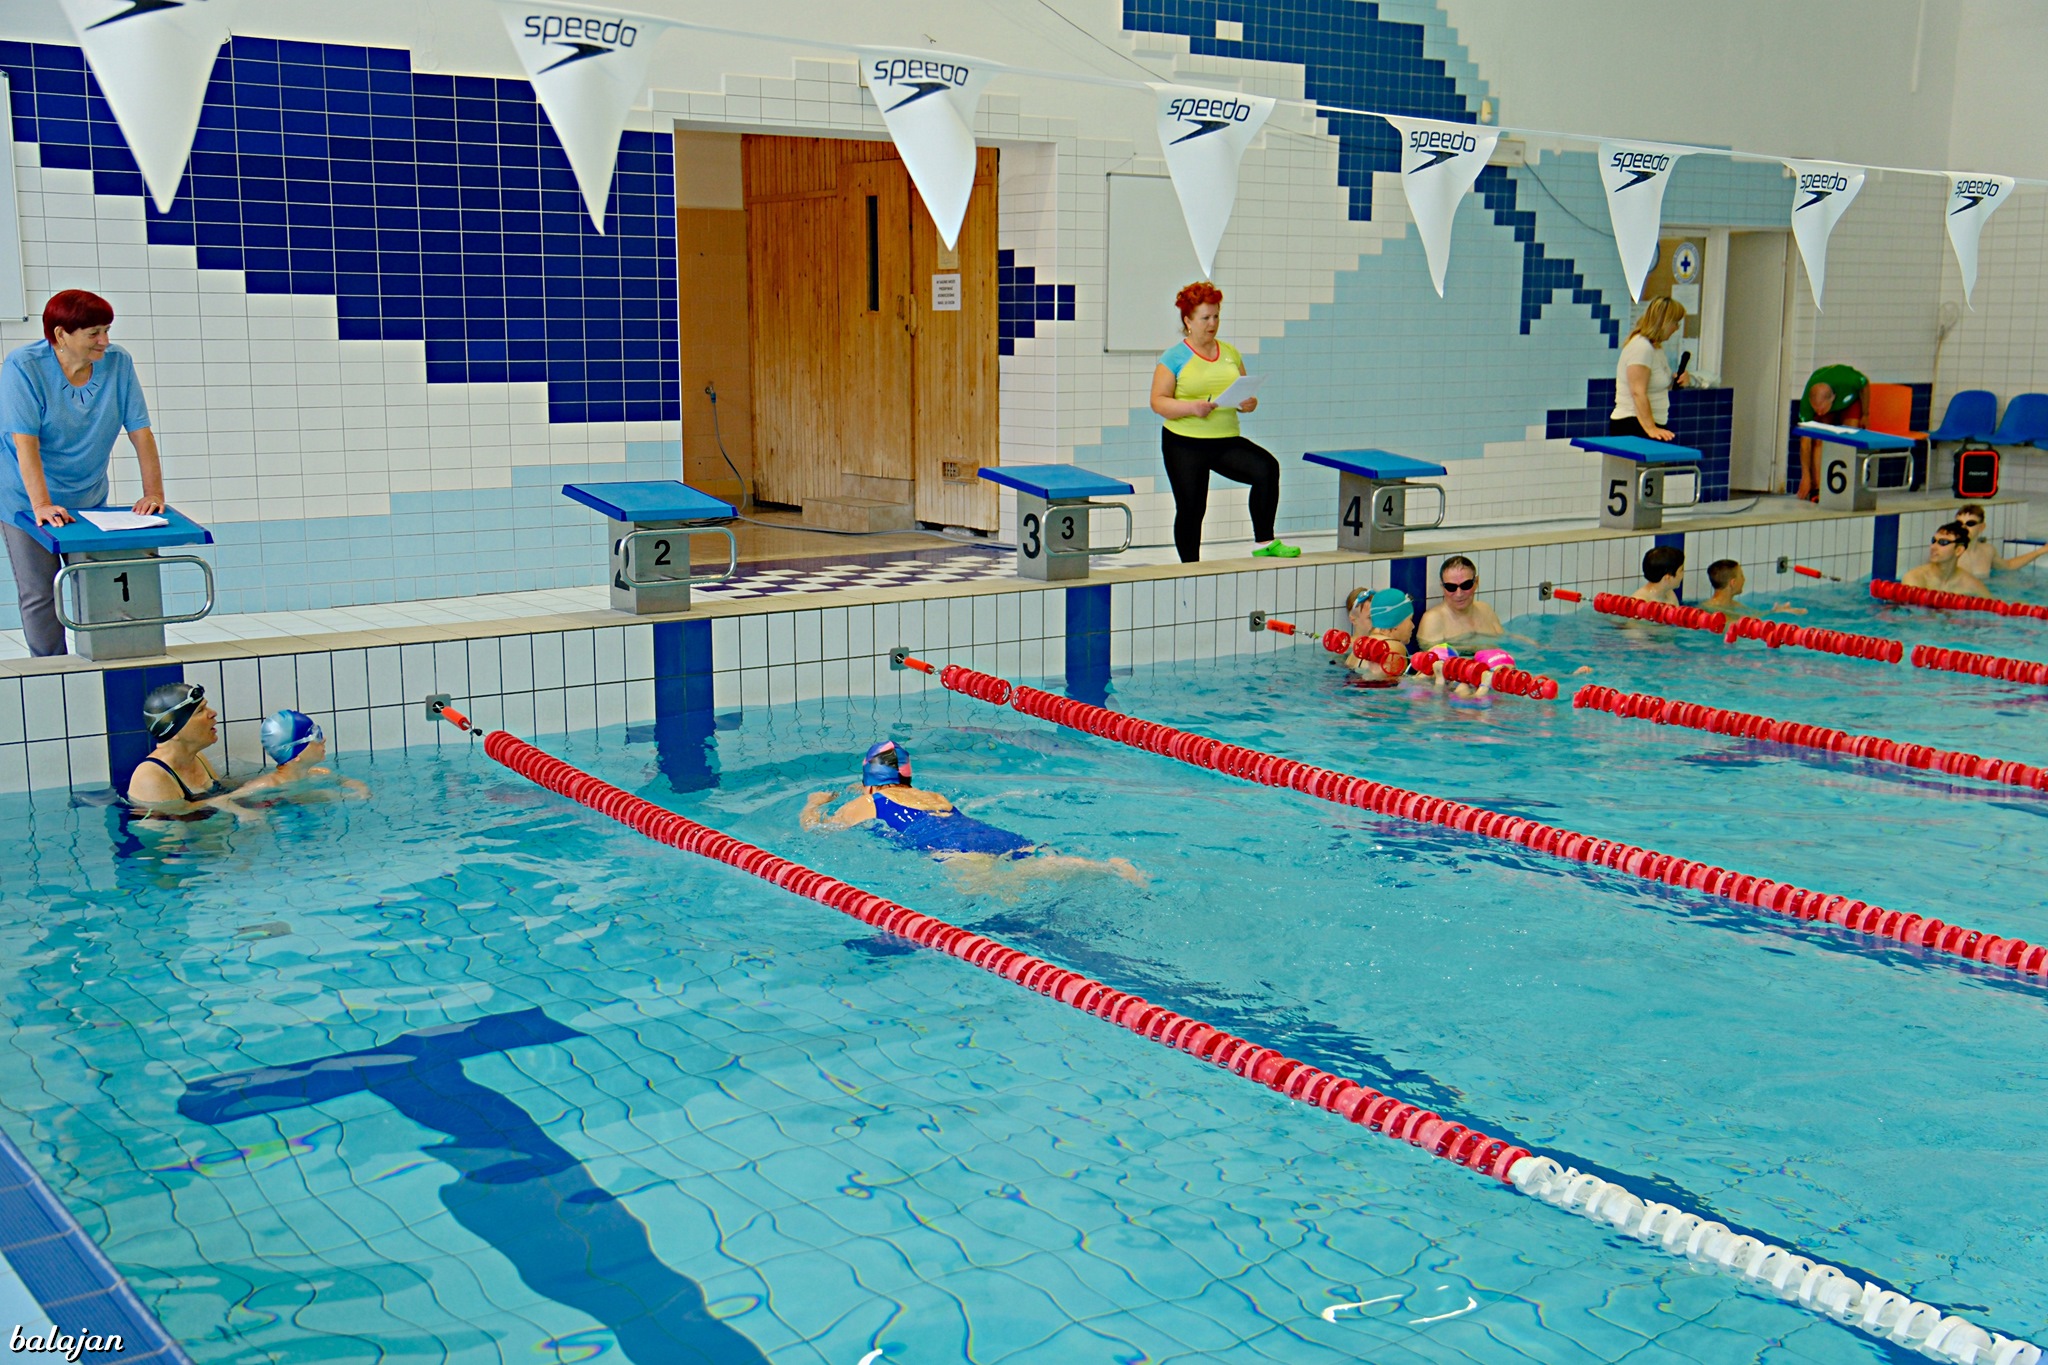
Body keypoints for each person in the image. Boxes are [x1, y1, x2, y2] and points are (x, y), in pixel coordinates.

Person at [2, 290, 164, 657]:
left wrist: (154, 493)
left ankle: (104, 658)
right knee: (40, 592)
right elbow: (24, 443)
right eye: (94, 333)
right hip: (25, 499)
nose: (104, 341)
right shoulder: (24, 367)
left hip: (87, 495)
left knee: (96, 584)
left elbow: (141, 432)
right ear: (61, 335)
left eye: (106, 330)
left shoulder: (117, 363)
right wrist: (41, 505)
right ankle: (53, 671)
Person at [801, 741, 1142, 883]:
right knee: (1039, 863)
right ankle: (1107, 867)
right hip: (995, 835)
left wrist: (813, 804)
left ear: (869, 780)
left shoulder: (869, 803)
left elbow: (816, 831)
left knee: (1001, 890)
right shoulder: (932, 796)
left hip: (954, 849)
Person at [1150, 282, 1297, 562]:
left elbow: (1242, 390)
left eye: (1216, 316)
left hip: (1224, 442)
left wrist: (1248, 404)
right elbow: (1158, 402)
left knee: (1267, 469)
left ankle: (1265, 541)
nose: (1212, 323)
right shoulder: (1174, 357)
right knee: (1192, 508)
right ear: (1188, 321)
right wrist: (1192, 407)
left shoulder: (1229, 353)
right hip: (1184, 444)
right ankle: (1190, 567)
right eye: (1205, 318)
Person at [126, 682, 243, 816]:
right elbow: (174, 824)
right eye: (200, 710)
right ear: (174, 730)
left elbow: (220, 796)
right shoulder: (151, 776)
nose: (212, 713)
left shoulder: (198, 757)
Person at [1609, 297, 1696, 441]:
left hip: (1647, 424)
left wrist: (1677, 380)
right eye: (1675, 323)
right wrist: (1651, 428)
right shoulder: (1641, 347)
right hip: (1633, 424)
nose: (1677, 328)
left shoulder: (1655, 348)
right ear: (1664, 322)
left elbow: (1654, 384)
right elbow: (1637, 392)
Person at [236, 709, 369, 800]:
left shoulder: (320, 772)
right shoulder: (267, 784)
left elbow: (346, 781)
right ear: (296, 754)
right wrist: (244, 812)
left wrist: (362, 789)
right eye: (316, 736)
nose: (323, 739)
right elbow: (224, 800)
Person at [1793, 363, 1868, 502]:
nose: (1819, 413)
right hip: (1829, 402)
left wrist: (1865, 414)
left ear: (1833, 398)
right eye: (1816, 409)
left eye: (1821, 409)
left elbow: (1865, 384)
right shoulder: (1807, 405)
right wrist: (1806, 477)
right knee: (1818, 439)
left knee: (1851, 439)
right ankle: (1817, 488)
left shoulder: (1849, 381)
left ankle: (1848, 486)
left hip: (1849, 401)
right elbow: (1805, 443)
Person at [1417, 555, 1528, 647]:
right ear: (1442, 587)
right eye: (1451, 587)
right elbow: (1433, 662)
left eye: (1466, 585)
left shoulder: (1485, 609)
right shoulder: (1433, 620)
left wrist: (1531, 645)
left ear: (1476, 582)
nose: (1459, 594)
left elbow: (1504, 639)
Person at [1340, 587, 1414, 686]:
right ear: (1396, 622)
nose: (1413, 626)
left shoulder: (1356, 651)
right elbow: (1385, 689)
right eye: (1410, 619)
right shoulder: (1395, 647)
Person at [1953, 503, 2048, 579]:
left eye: (1970, 523)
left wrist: (2041, 551)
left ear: (1982, 527)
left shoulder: (1987, 550)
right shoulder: (1950, 551)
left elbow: (2009, 566)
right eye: (1959, 523)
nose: (1963, 527)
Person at [1901, 521, 1991, 597]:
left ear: (1958, 550)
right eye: (1933, 541)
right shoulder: (1915, 579)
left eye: (1943, 542)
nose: (1933, 547)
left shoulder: (1971, 585)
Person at [1701, 559, 1805, 618]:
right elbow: (1734, 624)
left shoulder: (1732, 604)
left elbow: (1756, 615)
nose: (1744, 579)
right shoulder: (1709, 610)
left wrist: (1775, 611)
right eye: (1741, 576)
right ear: (1733, 583)